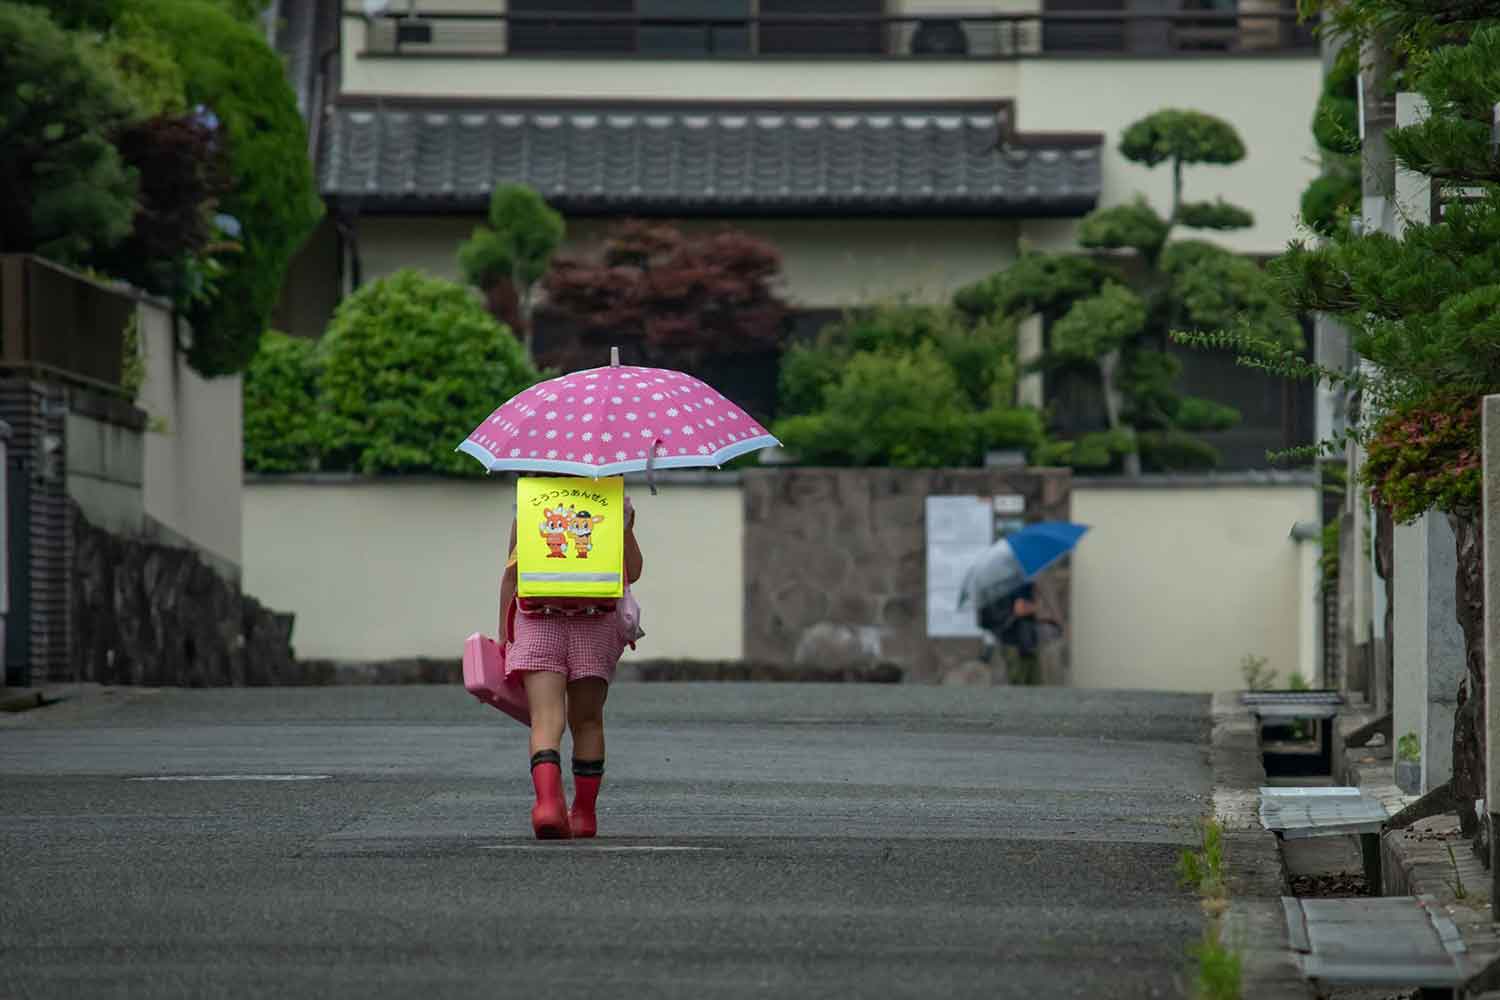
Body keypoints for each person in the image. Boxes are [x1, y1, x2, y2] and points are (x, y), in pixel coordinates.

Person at [499, 494, 644, 840]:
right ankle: (583, 814)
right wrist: (626, 526)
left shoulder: (531, 502)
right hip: (595, 625)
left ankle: (548, 805)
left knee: (546, 720)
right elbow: (633, 571)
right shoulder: (614, 504)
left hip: (539, 621)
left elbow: (512, 574)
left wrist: (505, 634)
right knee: (589, 722)